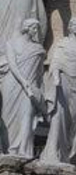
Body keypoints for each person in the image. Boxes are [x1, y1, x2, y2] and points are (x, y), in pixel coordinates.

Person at [41, 16, 76, 168]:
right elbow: (56, 61)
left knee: (74, 120)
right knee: (59, 116)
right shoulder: (63, 43)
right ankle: (52, 152)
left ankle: (66, 155)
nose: (74, 26)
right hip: (63, 81)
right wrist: (56, 77)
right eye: (72, 24)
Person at [0, 19, 47, 158]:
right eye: (34, 28)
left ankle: (23, 151)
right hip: (13, 83)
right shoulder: (12, 43)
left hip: (30, 87)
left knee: (27, 115)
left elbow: (39, 73)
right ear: (27, 28)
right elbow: (12, 64)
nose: (36, 32)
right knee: (7, 116)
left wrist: (38, 90)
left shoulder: (38, 49)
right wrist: (23, 81)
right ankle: (6, 149)